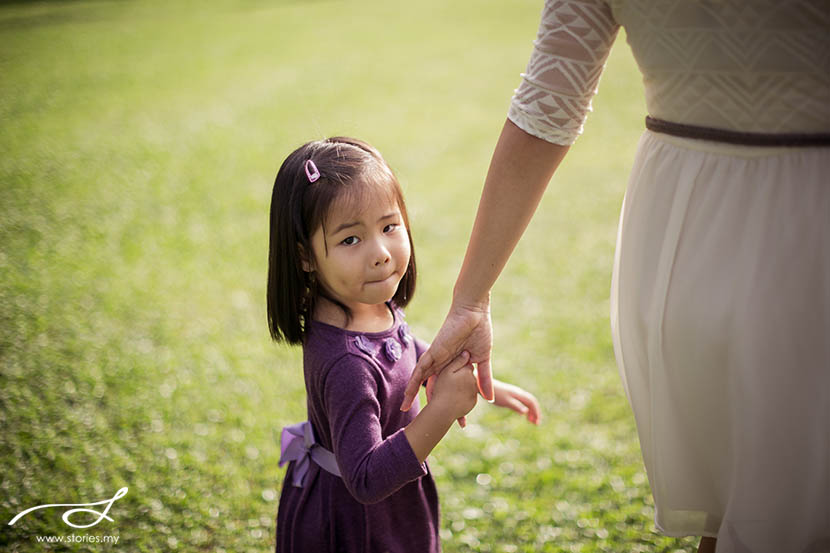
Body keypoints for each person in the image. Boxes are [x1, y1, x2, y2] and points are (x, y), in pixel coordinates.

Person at [401, 1, 830, 553]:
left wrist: (472, 298)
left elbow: (547, 103)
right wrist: (470, 303)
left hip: (682, 225)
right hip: (804, 209)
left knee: (733, 513)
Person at [267, 137, 540, 552]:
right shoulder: (345, 362)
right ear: (305, 257)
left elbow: (401, 346)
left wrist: (486, 386)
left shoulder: (369, 304)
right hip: (354, 524)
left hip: (393, 506)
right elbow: (366, 478)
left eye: (389, 227)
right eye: (350, 240)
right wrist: (444, 409)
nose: (380, 253)